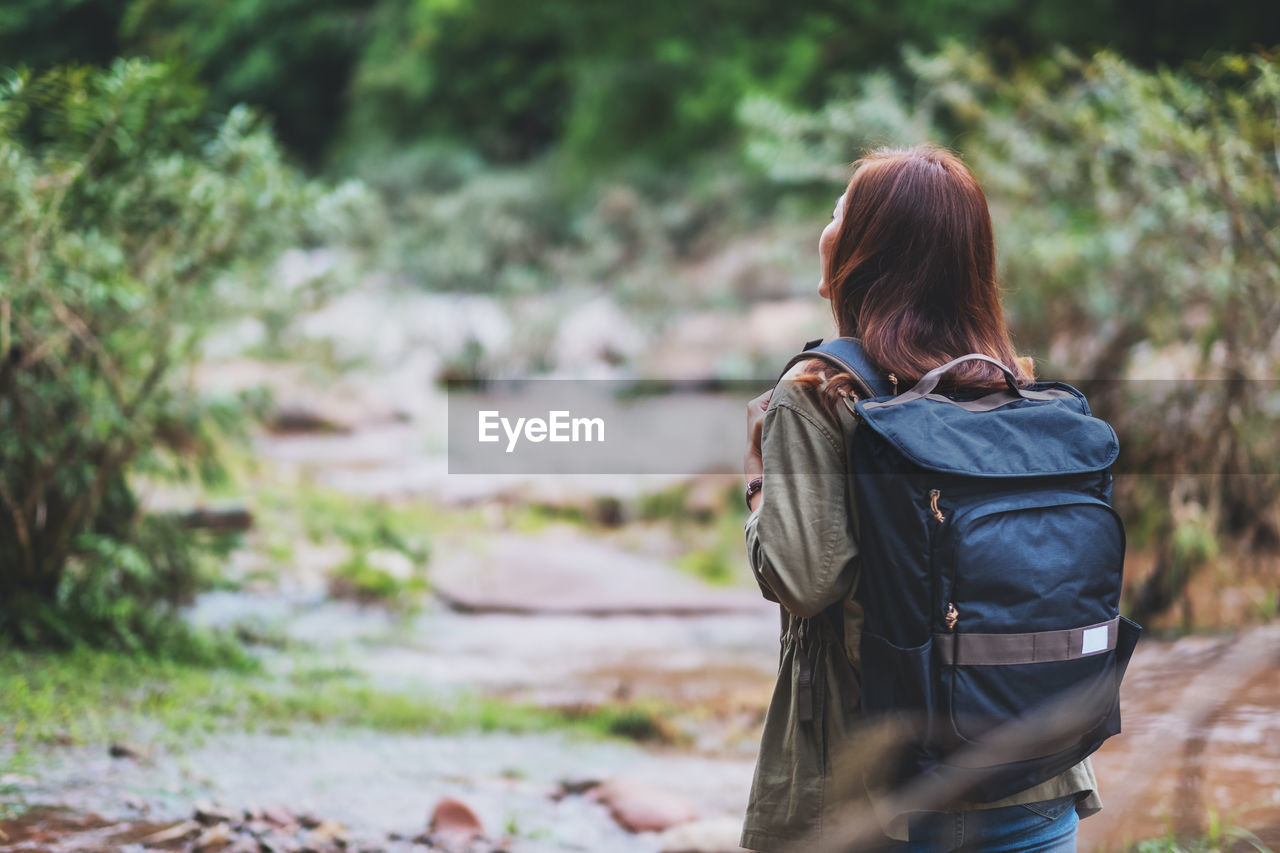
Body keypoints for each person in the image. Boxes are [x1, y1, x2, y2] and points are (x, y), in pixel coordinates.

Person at [739, 144, 1100, 852]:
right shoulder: (1015, 389)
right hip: (1036, 775)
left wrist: (758, 483)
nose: (827, 225)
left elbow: (803, 581)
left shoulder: (819, 395)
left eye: (839, 211)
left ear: (863, 251)